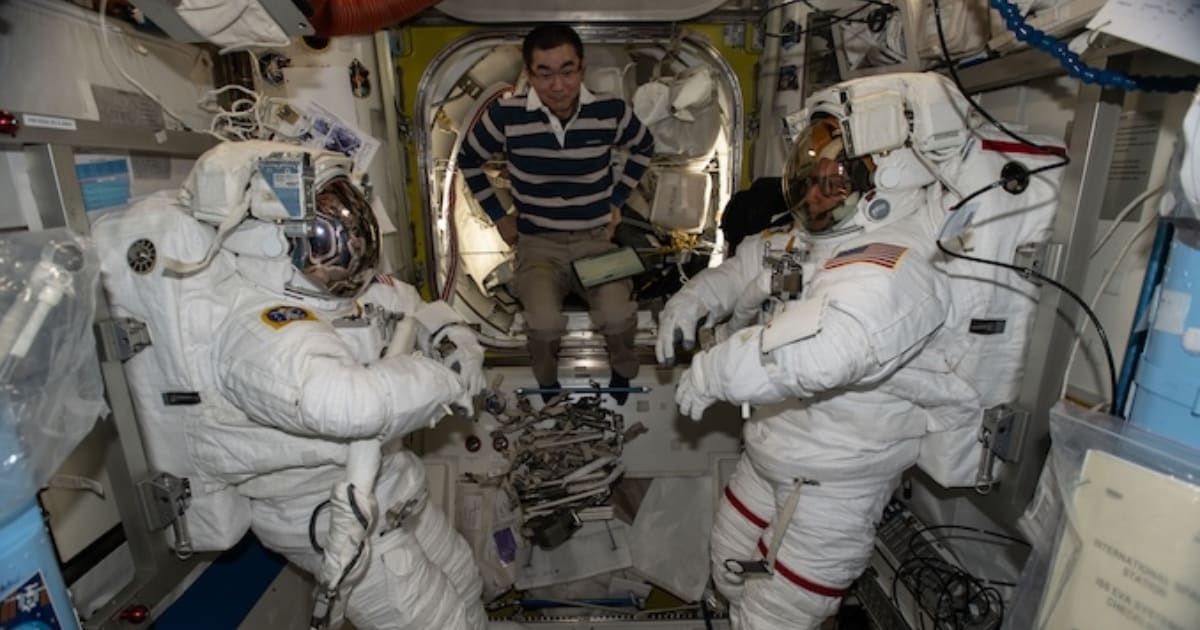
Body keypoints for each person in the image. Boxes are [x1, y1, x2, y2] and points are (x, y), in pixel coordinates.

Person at [657, 73, 1041, 629]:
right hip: (770, 456)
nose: (816, 195)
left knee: (771, 619)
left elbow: (827, 349)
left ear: (883, 188)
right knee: (727, 572)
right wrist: (687, 305)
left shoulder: (897, 263)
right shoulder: (806, 239)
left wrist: (715, 371)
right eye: (812, 180)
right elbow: (740, 272)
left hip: (834, 482)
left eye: (834, 184)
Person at [92, 141, 488, 630]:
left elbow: (409, 307)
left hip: (395, 494)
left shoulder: (340, 292)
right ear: (275, 240)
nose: (347, 248)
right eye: (326, 237)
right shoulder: (258, 329)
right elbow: (346, 404)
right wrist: (444, 380)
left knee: (468, 587)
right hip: (338, 520)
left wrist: (451, 336)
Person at [457, 24, 655, 403]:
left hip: (595, 243)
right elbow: (469, 158)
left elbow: (643, 146)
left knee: (617, 316)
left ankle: (622, 369)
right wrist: (499, 215)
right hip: (538, 247)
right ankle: (547, 382)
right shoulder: (506, 116)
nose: (558, 85)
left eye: (567, 70)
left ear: (581, 69)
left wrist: (617, 200)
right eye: (544, 73)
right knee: (544, 326)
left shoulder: (609, 111)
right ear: (530, 74)